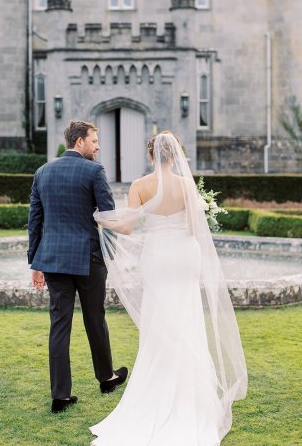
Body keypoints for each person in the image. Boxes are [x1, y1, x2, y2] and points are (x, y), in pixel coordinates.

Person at [90, 131, 247, 445]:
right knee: (187, 316)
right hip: (184, 256)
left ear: (151, 156)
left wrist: (100, 218)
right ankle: (192, 392)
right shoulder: (187, 185)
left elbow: (127, 227)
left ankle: (158, 384)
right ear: (174, 156)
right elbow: (193, 226)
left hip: (159, 256)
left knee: (159, 319)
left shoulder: (139, 186)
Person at [28, 119, 128, 414]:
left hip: (54, 260)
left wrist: (35, 263)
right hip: (88, 258)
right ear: (80, 142)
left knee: (59, 324)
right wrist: (115, 249)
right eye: (95, 141)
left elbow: (35, 222)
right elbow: (109, 217)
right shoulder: (94, 171)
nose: (98, 147)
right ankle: (106, 377)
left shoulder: (42, 172)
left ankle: (60, 395)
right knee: (95, 318)